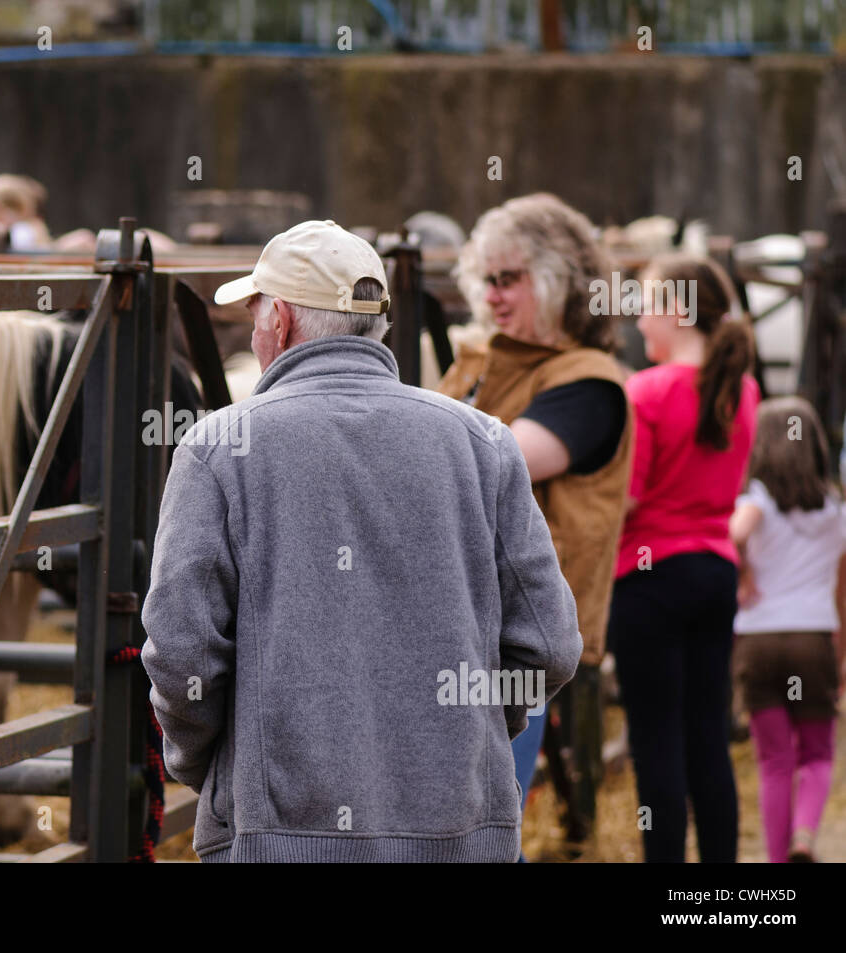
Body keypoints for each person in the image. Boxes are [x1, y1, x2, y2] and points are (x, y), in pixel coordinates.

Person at [140, 219, 582, 863]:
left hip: (278, 839)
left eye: (258, 314)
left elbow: (182, 658)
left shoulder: (218, 449)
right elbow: (550, 646)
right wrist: (468, 735)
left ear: (282, 322)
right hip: (460, 837)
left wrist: (214, 767)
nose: (258, 331)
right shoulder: (484, 443)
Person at [437, 193, 632, 853]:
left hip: (522, 643)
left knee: (488, 827)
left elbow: (494, 462)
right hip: (451, 628)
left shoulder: (588, 382)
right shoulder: (481, 359)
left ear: (557, 280)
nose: (492, 295)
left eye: (509, 278)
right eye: (485, 279)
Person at [607, 253, 760, 863]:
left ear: (677, 309)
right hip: (715, 571)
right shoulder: (741, 391)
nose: (640, 321)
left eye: (645, 305)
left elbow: (632, 495)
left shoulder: (645, 391)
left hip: (649, 577)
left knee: (655, 742)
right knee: (708, 737)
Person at [729, 396, 846, 863]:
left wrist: (743, 575)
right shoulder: (836, 512)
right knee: (816, 754)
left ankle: (779, 866)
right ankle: (803, 836)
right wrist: (841, 658)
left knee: (774, 762)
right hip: (813, 639)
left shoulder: (756, 499)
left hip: (758, 641)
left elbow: (734, 533)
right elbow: (843, 596)